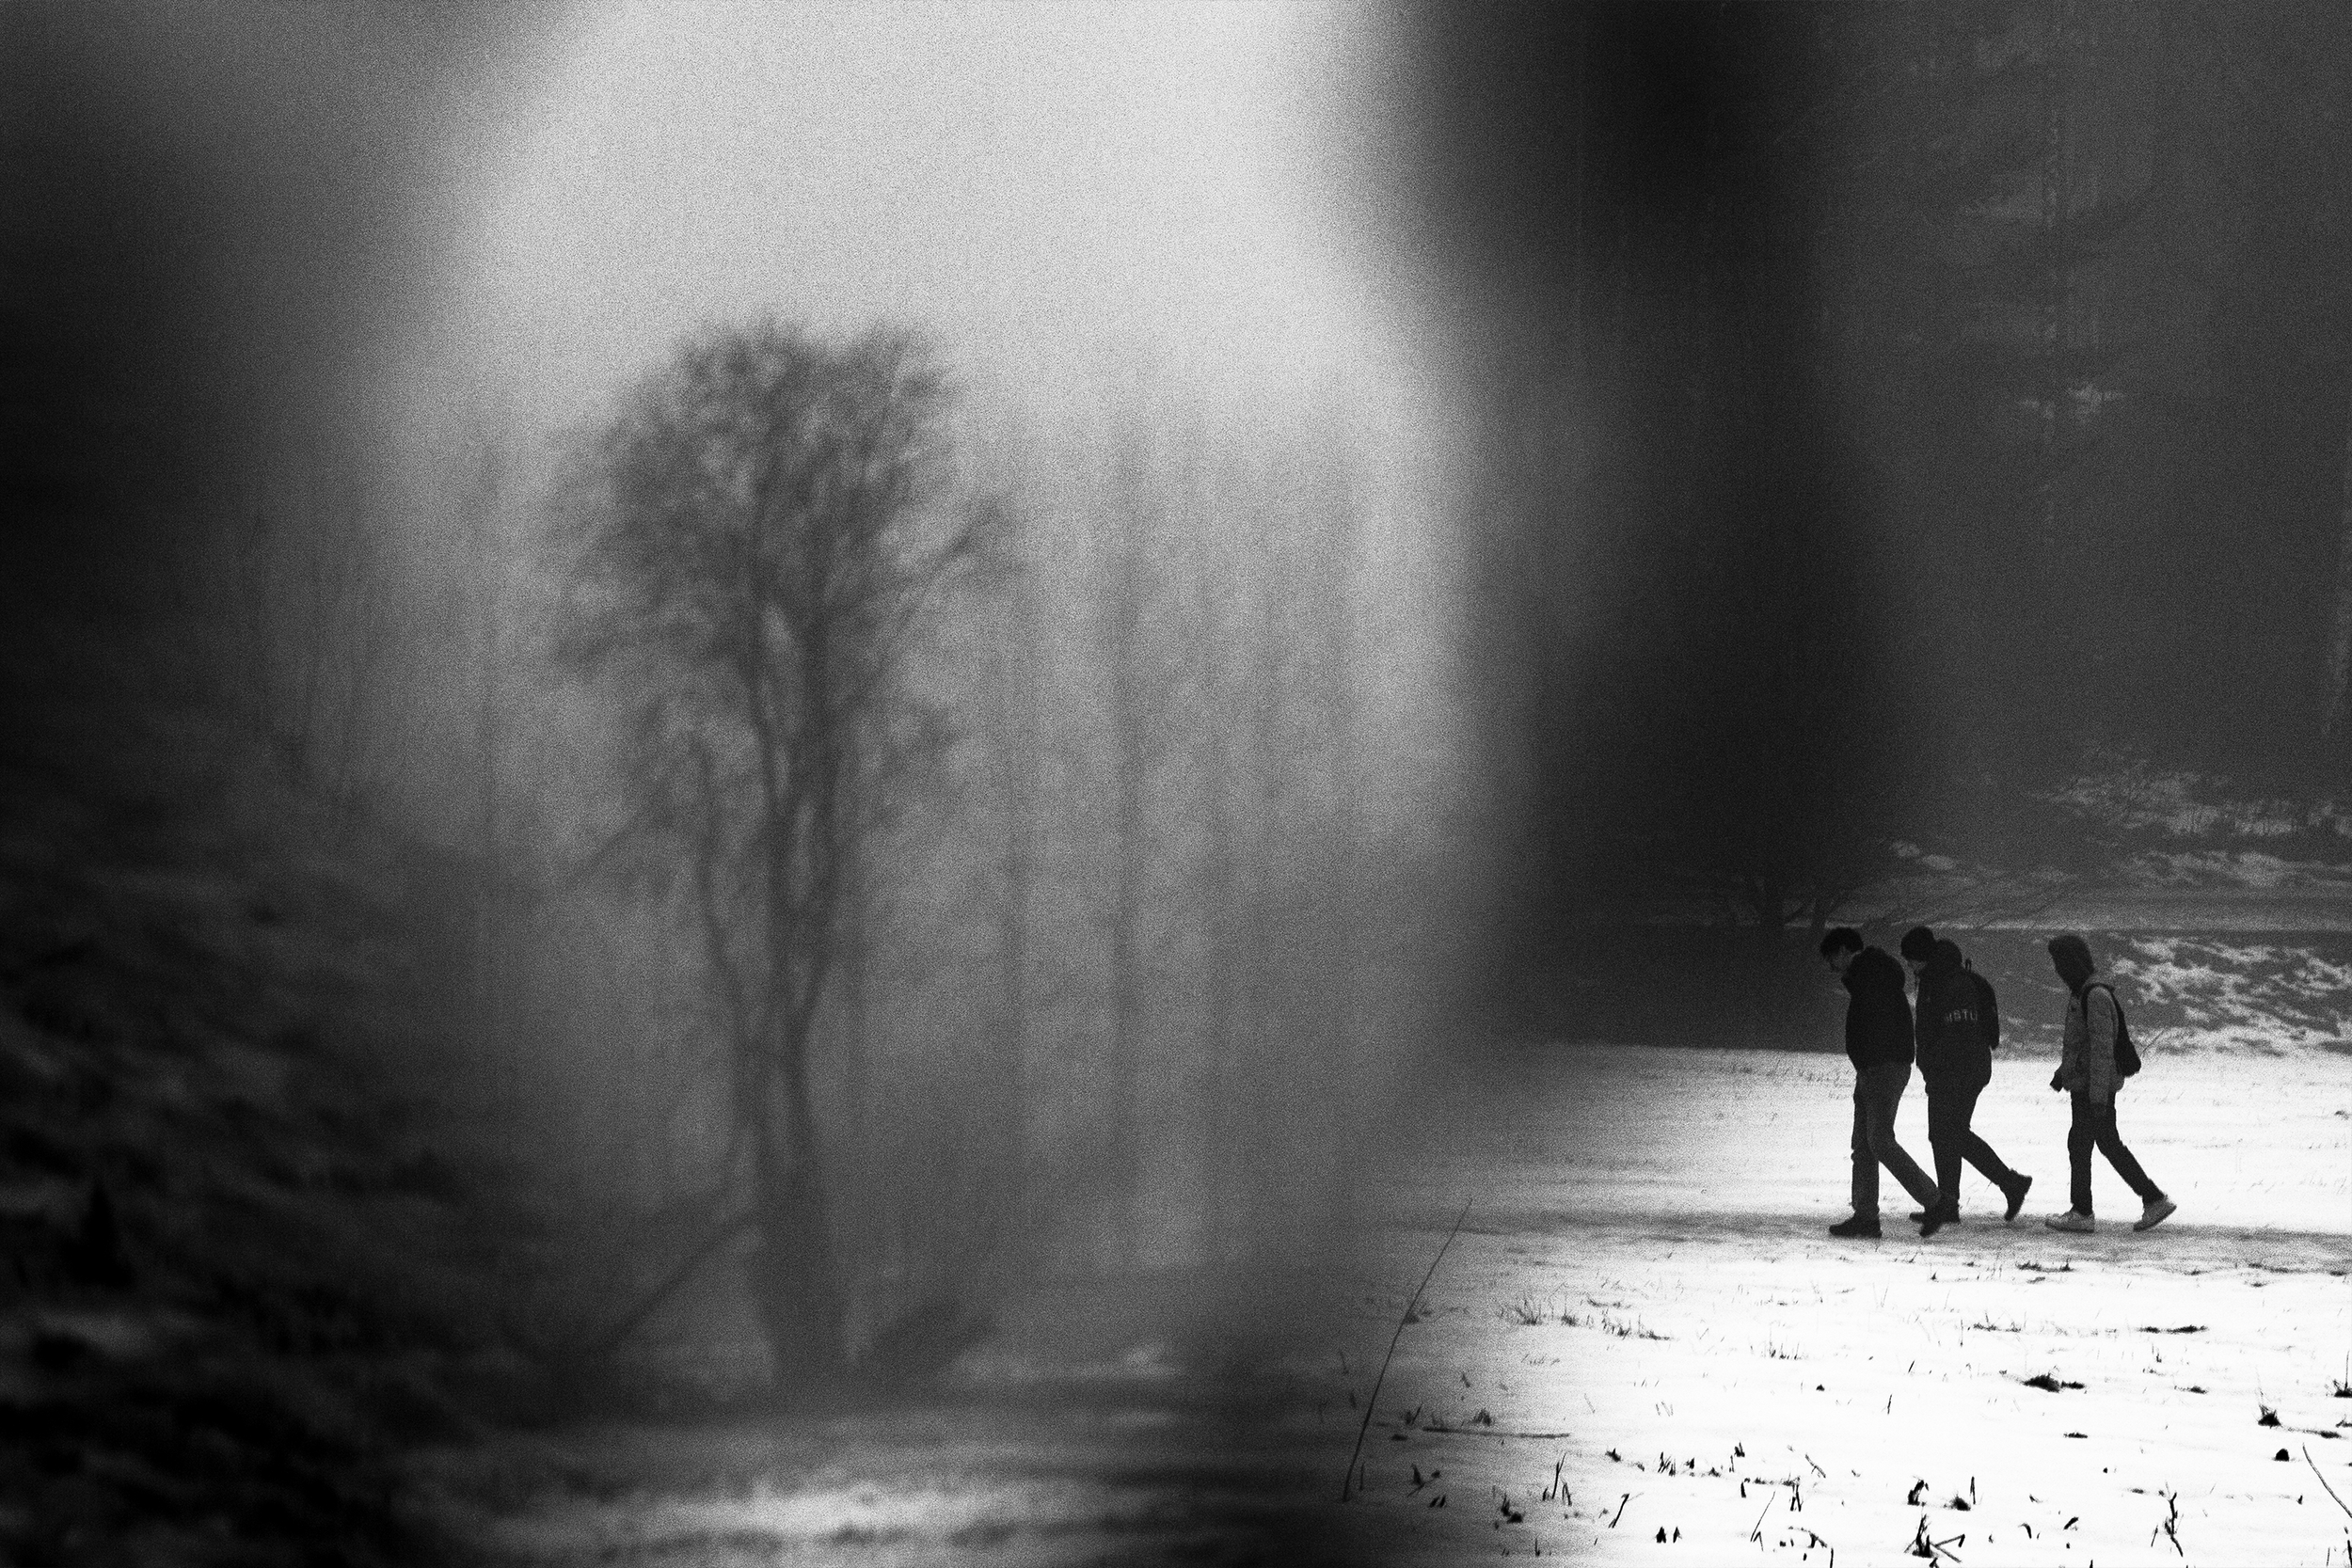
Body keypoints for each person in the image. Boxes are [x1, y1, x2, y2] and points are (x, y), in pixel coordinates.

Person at [1899, 927, 2031, 1237]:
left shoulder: (1950, 982)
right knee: (1945, 1134)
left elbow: (1960, 1033)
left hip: (1958, 1071)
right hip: (1957, 1069)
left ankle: (2008, 1184)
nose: (1910, 966)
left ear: (1921, 956)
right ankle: (1952, 1202)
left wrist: (1936, 1065)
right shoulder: (1939, 977)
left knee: (1950, 1134)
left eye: (1911, 960)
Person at [2042, 932, 2177, 1233]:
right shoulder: (2083, 993)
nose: (2057, 970)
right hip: (2087, 1085)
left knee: (2086, 1145)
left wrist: (2098, 1097)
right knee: (2098, 1144)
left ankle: (2086, 1211)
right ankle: (2150, 1199)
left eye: (2059, 963)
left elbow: (2102, 1051)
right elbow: (2083, 1047)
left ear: (2072, 963)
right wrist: (2063, 1073)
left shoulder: (2094, 996)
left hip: (2093, 1089)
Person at [1820, 927, 1939, 1239]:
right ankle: (1865, 1217)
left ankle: (1934, 1200)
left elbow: (1876, 1026)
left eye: (1832, 958)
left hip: (1881, 1069)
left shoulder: (1870, 976)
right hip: (1875, 1068)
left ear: (1844, 951)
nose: (1831, 966)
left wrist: (1871, 1062)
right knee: (1864, 1144)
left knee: (1878, 1141)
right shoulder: (1871, 975)